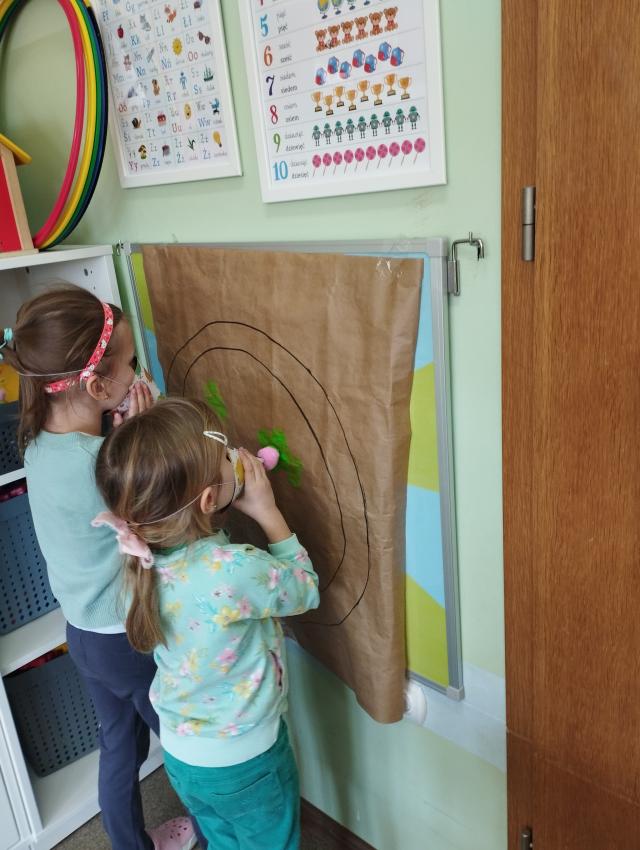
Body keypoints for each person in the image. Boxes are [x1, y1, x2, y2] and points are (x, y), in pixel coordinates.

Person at [0, 286, 204, 850]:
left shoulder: (37, 442)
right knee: (186, 742)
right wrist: (143, 432)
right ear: (95, 386)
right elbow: (159, 514)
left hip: (84, 634)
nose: (138, 373)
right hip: (128, 637)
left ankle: (130, 844)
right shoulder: (101, 464)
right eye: (132, 363)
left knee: (118, 745)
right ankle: (218, 834)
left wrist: (118, 430)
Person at [94, 397, 320, 850]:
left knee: (222, 840)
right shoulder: (231, 570)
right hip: (247, 760)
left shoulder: (141, 561)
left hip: (184, 757)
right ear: (209, 500)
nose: (236, 456)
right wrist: (268, 511)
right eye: (226, 456)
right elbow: (304, 589)